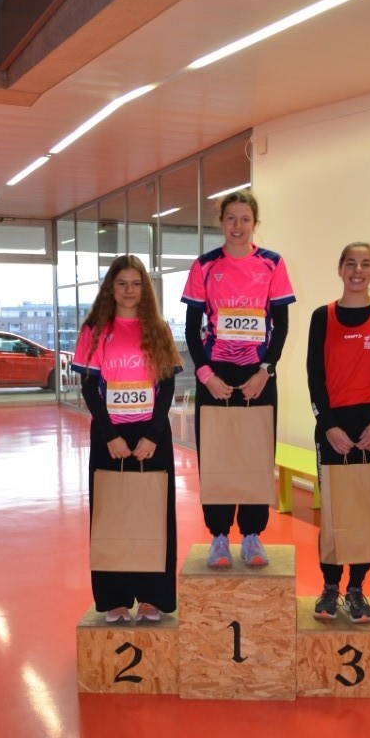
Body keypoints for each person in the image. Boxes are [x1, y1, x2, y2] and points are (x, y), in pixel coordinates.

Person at [182, 189, 295, 568]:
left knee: (255, 454)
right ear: (221, 222)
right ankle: (218, 536)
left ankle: (251, 535)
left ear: (255, 223)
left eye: (245, 219)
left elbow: (281, 326)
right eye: (230, 218)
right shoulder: (204, 266)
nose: (237, 225)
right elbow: (191, 328)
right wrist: (206, 376)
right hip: (214, 377)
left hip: (258, 376)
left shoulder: (272, 264)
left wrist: (266, 370)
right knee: (216, 454)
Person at [72, 254, 182, 623]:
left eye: (136, 284)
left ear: (144, 289)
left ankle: (153, 596)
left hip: (152, 437)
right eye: (122, 284)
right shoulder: (94, 330)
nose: (129, 291)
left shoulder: (158, 329)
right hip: (110, 437)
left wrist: (152, 435)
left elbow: (167, 387)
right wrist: (110, 436)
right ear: (111, 288)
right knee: (112, 515)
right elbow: (90, 389)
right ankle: (114, 597)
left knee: (154, 515)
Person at [306, 241, 370, 623]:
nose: (357, 271)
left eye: (365, 264)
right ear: (340, 269)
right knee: (334, 510)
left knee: (365, 509)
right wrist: (327, 425)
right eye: (351, 263)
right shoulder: (322, 316)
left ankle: (356, 589)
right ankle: (330, 587)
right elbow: (315, 377)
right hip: (334, 428)